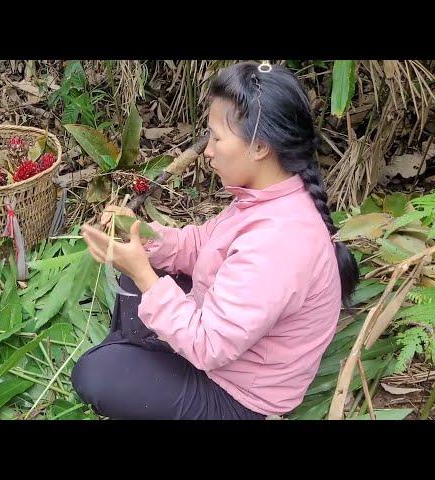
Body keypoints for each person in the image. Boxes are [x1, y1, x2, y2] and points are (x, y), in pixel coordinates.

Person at [71, 61, 360, 420]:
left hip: (240, 395)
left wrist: (144, 274)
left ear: (259, 147)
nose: (208, 151)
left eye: (217, 138)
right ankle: (137, 352)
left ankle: (133, 354)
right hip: (226, 349)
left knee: (95, 374)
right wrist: (143, 238)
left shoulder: (280, 241)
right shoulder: (265, 197)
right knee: (146, 271)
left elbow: (209, 346)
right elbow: (201, 246)